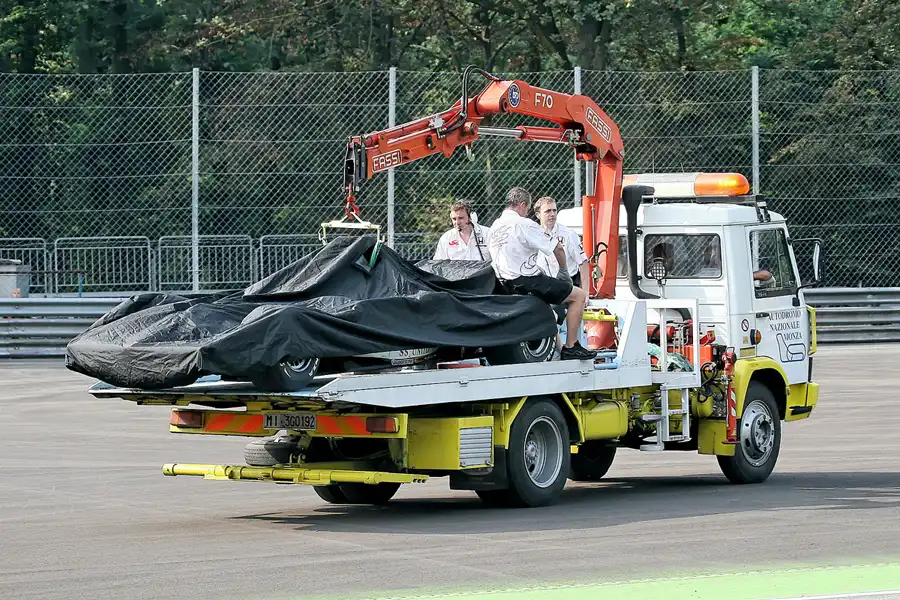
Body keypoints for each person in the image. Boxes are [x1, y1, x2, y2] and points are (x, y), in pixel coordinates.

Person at [488, 187, 597, 361]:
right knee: (579, 296)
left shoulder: (494, 227)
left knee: (551, 309)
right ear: (523, 205)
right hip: (527, 280)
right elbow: (558, 248)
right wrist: (563, 272)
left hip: (503, 282)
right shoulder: (524, 224)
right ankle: (571, 346)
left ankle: (559, 348)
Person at [532, 195, 590, 354]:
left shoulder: (568, 235)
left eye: (554, 210)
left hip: (566, 283)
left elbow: (583, 263)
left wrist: (586, 292)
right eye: (547, 211)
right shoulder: (533, 234)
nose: (552, 214)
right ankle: (557, 350)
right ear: (538, 215)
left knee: (551, 314)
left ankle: (565, 348)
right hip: (544, 283)